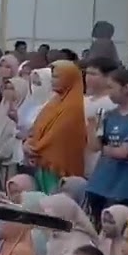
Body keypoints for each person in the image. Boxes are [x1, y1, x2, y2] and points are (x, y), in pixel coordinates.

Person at [86, 68, 128, 216]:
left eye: (111, 87)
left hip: (123, 186)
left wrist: (105, 148)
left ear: (126, 88)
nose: (108, 92)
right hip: (99, 182)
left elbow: (123, 152)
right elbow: (94, 146)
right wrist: (91, 124)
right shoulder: (110, 114)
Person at [25, 59, 86, 192]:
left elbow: (57, 136)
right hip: (43, 163)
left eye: (57, 77)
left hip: (59, 167)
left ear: (69, 79)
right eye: (52, 77)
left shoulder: (74, 106)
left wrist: (35, 149)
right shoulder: (54, 102)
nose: (53, 80)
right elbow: (38, 127)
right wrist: (29, 144)